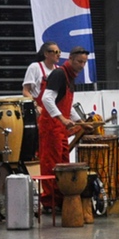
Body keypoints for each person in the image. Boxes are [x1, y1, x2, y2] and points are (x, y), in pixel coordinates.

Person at [37, 46, 88, 212]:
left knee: (63, 163)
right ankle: (50, 202)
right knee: (51, 164)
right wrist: (62, 118)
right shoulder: (59, 74)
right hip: (51, 126)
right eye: (79, 61)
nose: (82, 65)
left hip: (60, 128)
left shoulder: (69, 76)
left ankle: (60, 198)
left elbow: (67, 104)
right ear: (71, 59)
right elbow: (46, 99)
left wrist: (80, 121)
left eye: (84, 62)